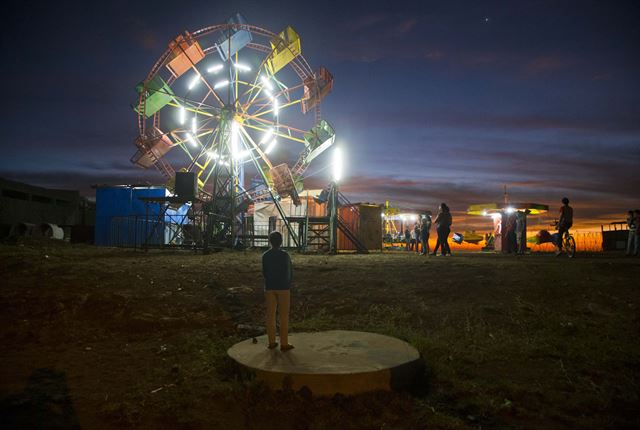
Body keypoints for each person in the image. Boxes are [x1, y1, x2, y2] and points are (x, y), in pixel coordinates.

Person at [262, 231, 294, 352]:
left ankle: (271, 342)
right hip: (283, 287)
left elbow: (264, 272)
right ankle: (284, 343)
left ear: (270, 241)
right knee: (284, 316)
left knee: (270, 315)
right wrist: (288, 282)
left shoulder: (265, 255)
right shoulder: (285, 255)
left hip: (270, 287)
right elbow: (290, 271)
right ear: (281, 242)